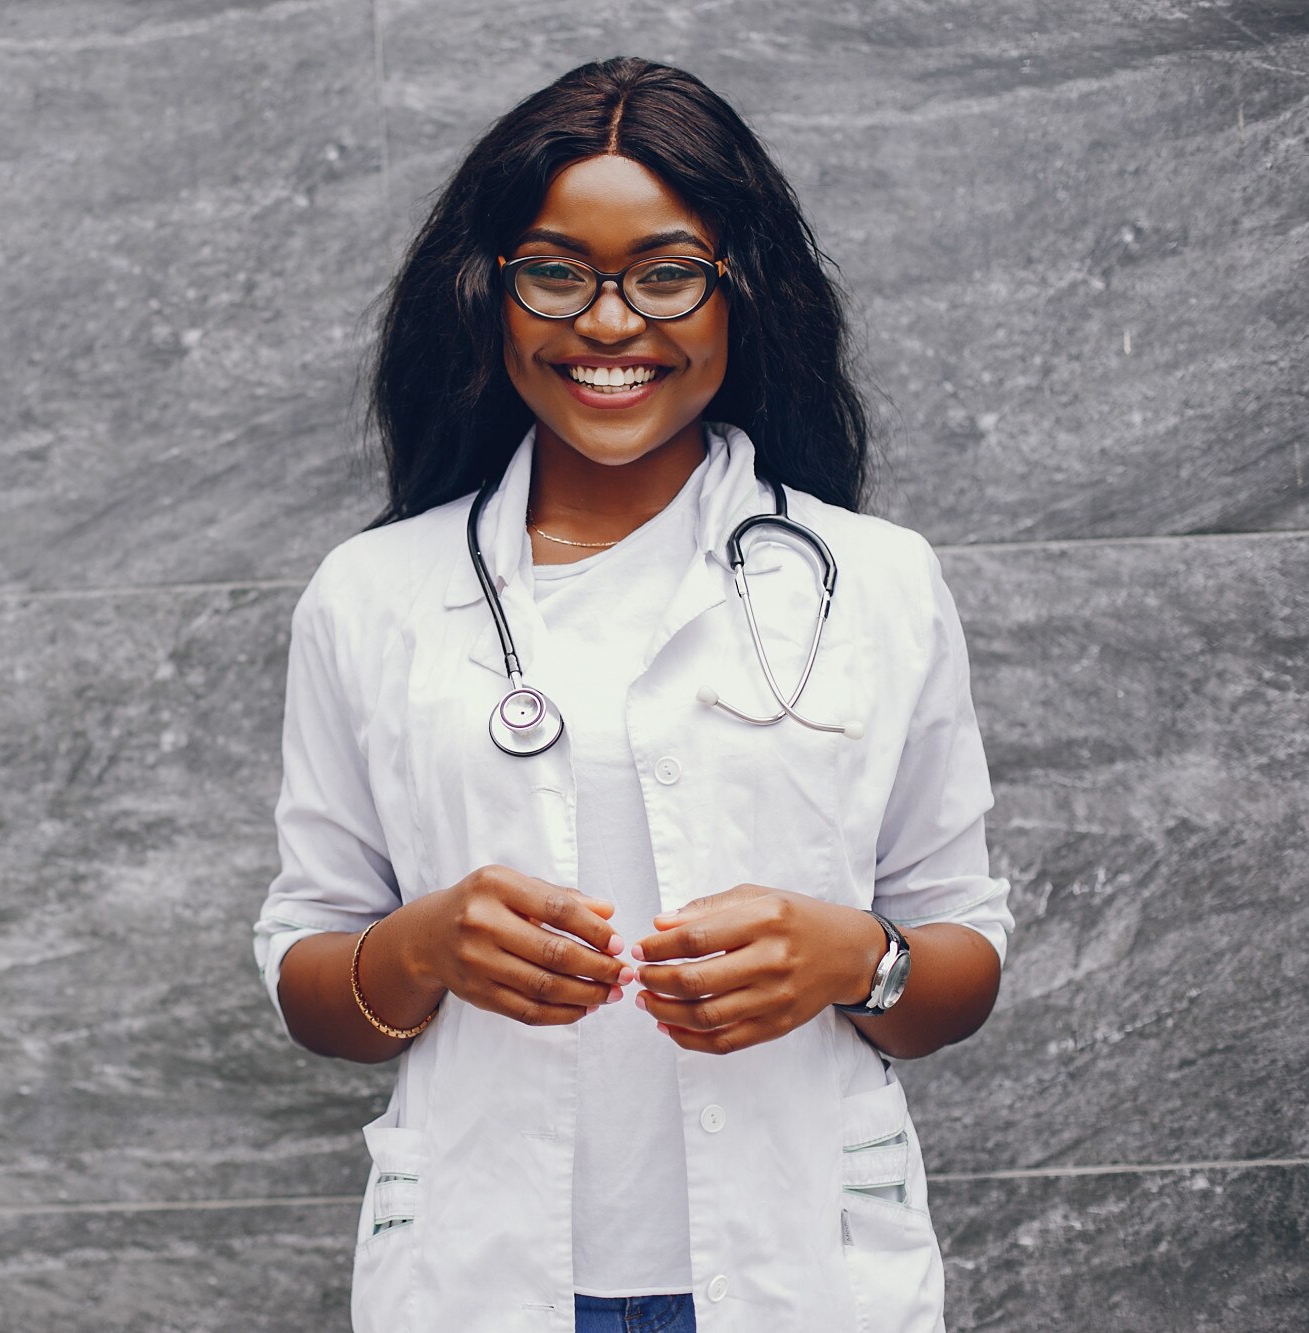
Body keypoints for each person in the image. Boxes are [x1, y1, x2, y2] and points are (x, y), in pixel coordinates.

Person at [251, 57, 1011, 1333]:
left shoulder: (873, 582)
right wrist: (421, 945)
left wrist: (851, 956)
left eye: (665, 274)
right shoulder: (369, 595)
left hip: (798, 1268)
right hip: (481, 1273)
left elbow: (961, 953)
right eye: (556, 272)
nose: (609, 324)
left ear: (738, 294)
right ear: (491, 294)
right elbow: (313, 979)